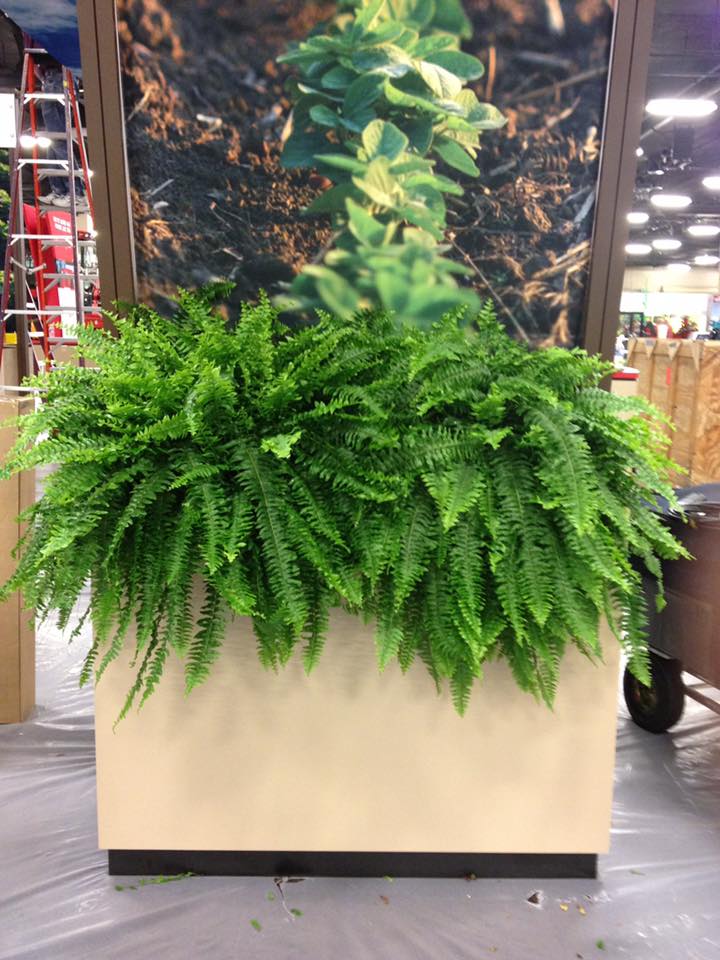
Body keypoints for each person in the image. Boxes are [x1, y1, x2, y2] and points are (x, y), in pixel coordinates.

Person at [34, 57, 86, 210]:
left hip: (58, 77)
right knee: (53, 141)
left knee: (58, 140)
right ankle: (61, 191)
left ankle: (75, 193)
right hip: (56, 77)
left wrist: (44, 78)